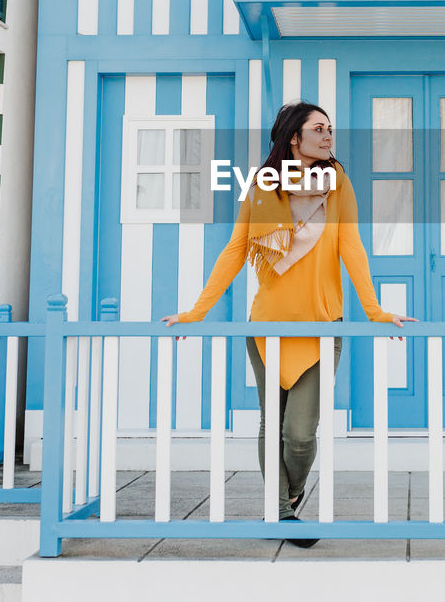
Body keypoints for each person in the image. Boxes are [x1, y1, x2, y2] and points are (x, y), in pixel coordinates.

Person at [162, 100, 415, 547]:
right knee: (270, 424)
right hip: (267, 328)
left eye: (330, 128)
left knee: (298, 436)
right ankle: (279, 512)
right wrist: (196, 311)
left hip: (322, 326)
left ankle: (289, 497)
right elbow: (237, 249)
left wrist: (374, 310)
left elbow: (351, 247)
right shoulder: (262, 185)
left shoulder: (337, 183)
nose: (328, 135)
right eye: (319, 129)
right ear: (294, 138)